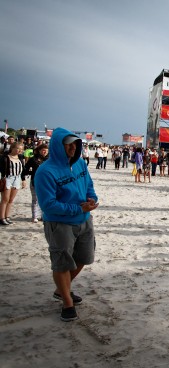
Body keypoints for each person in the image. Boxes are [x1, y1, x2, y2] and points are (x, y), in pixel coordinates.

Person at [35, 128, 99, 322]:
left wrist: (92, 198)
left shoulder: (80, 163)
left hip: (84, 219)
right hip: (60, 223)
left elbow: (88, 185)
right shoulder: (45, 172)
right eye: (68, 145)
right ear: (58, 146)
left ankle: (61, 289)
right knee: (62, 263)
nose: (73, 148)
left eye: (75, 144)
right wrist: (77, 208)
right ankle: (67, 302)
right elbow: (48, 204)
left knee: (84, 257)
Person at [21, 143, 49, 223]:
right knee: (35, 199)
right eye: (43, 150)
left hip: (47, 182)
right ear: (39, 150)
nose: (44, 152)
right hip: (35, 181)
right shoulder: (33, 159)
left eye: (46, 151)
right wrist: (24, 178)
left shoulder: (49, 159)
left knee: (45, 199)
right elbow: (25, 169)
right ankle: (35, 216)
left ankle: (43, 216)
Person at [0, 142, 26, 225]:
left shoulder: (20, 157)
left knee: (11, 200)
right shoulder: (5, 157)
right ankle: (1, 217)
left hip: (17, 178)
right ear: (12, 148)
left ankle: (7, 216)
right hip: (7, 178)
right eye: (18, 148)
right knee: (5, 199)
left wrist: (23, 180)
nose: (20, 150)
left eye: (21, 149)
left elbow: (23, 170)